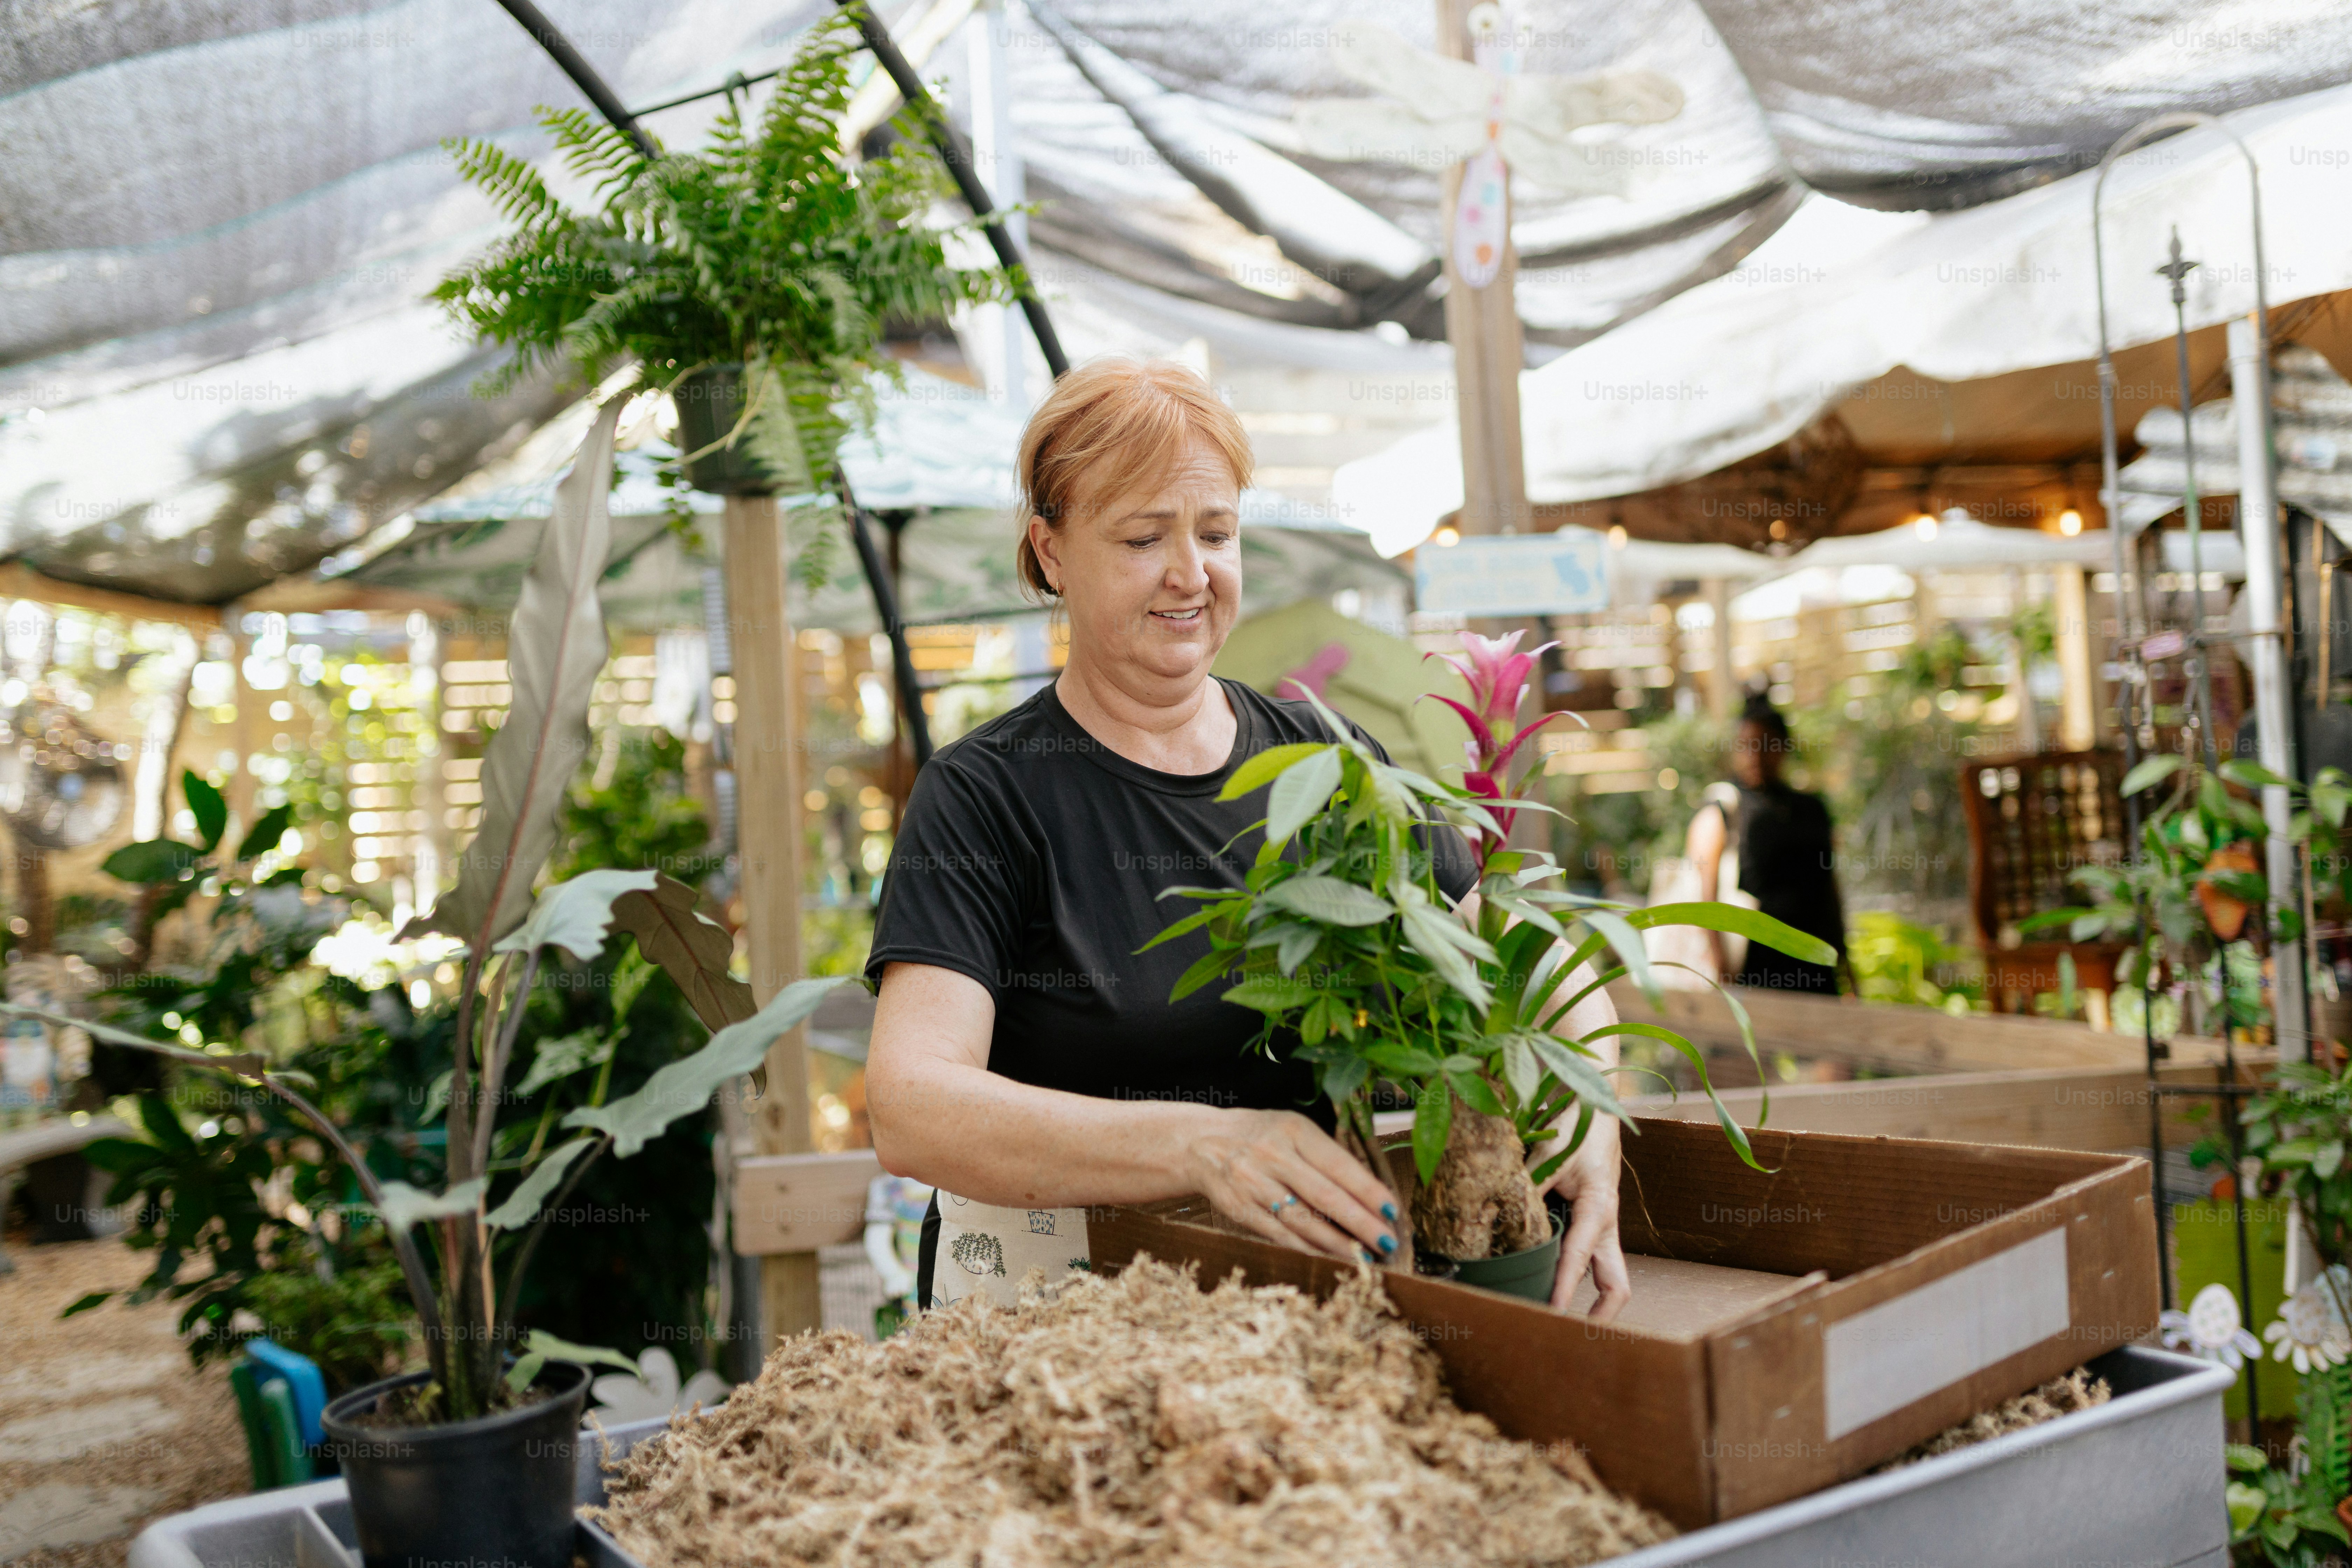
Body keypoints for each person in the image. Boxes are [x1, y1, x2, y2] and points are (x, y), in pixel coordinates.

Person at [862, 358, 1631, 1318]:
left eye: (1216, 533)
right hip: (1044, 1327)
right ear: (1052, 553)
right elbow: (911, 1107)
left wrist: (1592, 1107)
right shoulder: (985, 796)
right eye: (1144, 537)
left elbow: (1525, 955)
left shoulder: (1327, 760)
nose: (1191, 574)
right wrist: (1202, 1144)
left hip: (1288, 1312)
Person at [1684, 693, 1847, 995]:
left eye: (1765, 744)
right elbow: (1705, 897)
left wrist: (1846, 963)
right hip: (1756, 967)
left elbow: (1830, 887)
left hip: (1815, 961)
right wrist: (1722, 969)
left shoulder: (1812, 809)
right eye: (1746, 745)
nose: (1755, 756)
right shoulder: (1725, 809)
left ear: (1784, 747)